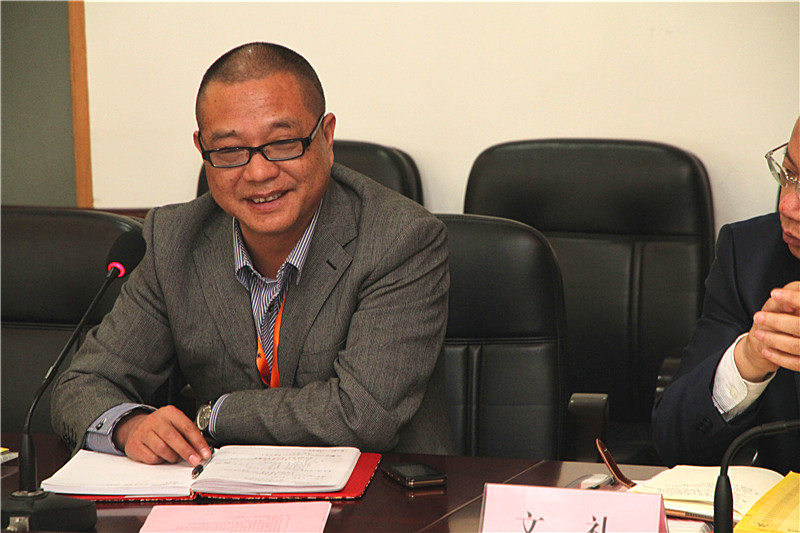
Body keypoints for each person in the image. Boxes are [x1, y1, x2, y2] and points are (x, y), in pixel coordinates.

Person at [51, 42, 453, 466]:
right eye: (229, 150)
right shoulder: (174, 240)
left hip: (379, 494)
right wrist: (129, 426)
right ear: (203, 150)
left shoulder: (400, 239)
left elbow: (361, 414)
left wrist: (209, 415)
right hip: (220, 494)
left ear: (326, 136)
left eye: (282, 143)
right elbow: (82, 384)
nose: (259, 172)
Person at [652, 116, 800, 474]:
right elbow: (673, 443)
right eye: (789, 174)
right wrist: (749, 361)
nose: (787, 205)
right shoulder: (750, 257)